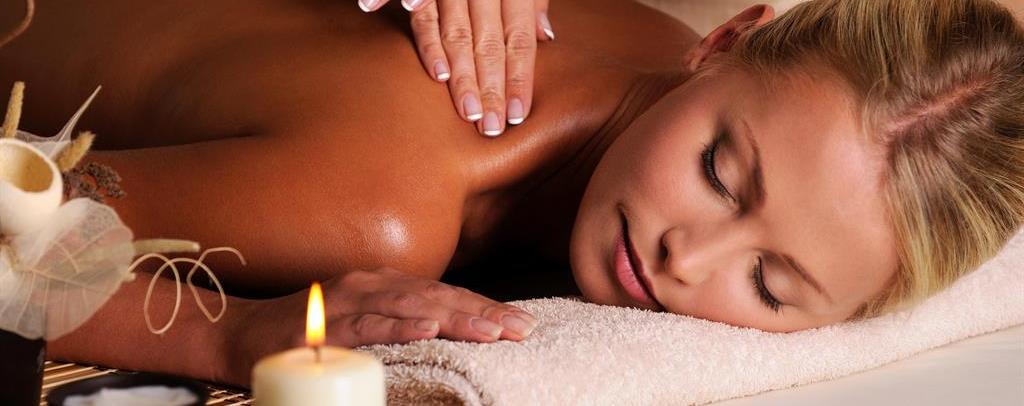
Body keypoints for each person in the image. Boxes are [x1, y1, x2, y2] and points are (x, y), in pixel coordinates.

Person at [0, 0, 1021, 388]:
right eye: (719, 172)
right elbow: (15, 238)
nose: (687, 257)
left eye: (771, 282)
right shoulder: (383, 206)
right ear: (724, 41)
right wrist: (227, 337)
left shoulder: (666, 54)